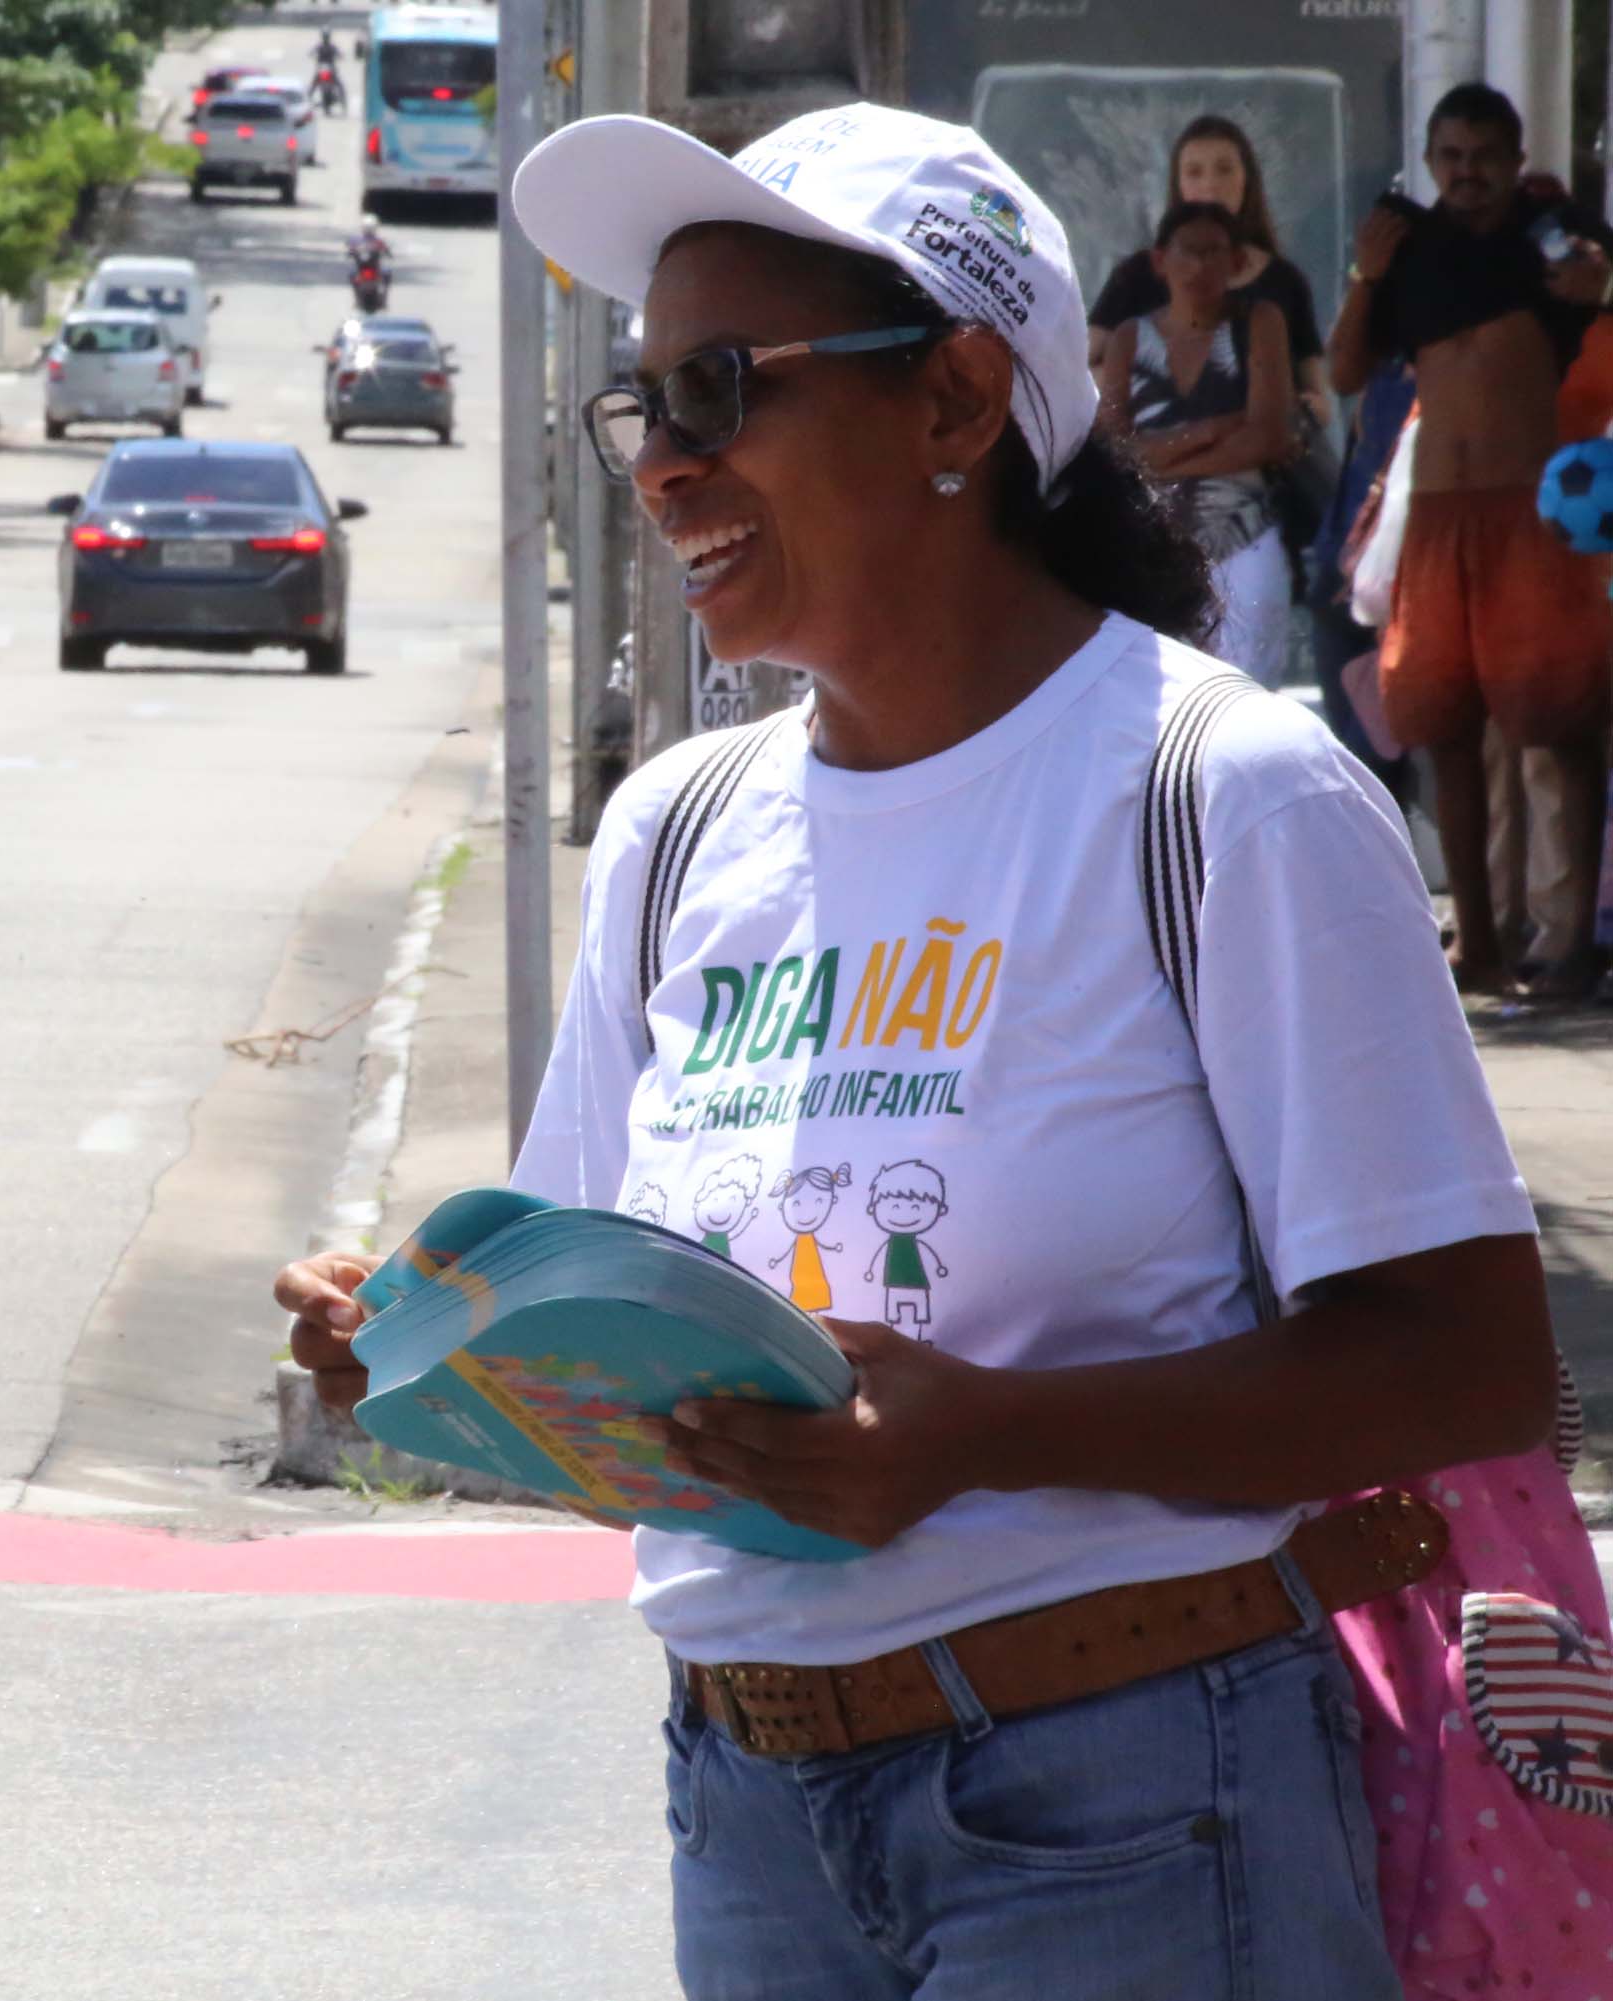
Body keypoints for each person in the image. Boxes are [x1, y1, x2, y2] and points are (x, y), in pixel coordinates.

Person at [287, 103, 1553, 1998]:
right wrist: (437, 1352)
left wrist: (981, 1442)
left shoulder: (1225, 795)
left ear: (958, 399)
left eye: (718, 388)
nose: (663, 465)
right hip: (747, 1806)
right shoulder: (676, 834)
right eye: (644, 407)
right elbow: (612, 1376)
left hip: (1129, 1804)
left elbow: (1466, 1365)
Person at [1328, 83, 1613, 999]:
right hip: (1437, 518)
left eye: (1483, 154)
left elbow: (1596, 286)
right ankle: (1478, 941)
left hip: (1526, 513)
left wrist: (1602, 283)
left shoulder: (1550, 238)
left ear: (1515, 157)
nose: (1465, 172)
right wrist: (1363, 279)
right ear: (1427, 156)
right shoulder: (1403, 247)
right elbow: (1341, 371)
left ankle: (1571, 939)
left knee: (1559, 720)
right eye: (1448, 155)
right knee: (1444, 729)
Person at [1098, 201, 1297, 683]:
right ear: (1161, 260)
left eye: (1216, 252)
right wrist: (1214, 429)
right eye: (1190, 251)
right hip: (1156, 550)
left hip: (1244, 537)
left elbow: (1268, 439)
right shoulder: (1128, 337)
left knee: (1248, 693)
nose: (1202, 265)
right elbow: (1111, 453)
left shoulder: (1260, 322)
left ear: (1235, 263)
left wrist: (1158, 455)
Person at [1085, 116, 1333, 436]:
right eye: (1194, 172)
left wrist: (1284, 415)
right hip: (1153, 459)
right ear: (1178, 183)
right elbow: (1082, 365)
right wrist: (1136, 395)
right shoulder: (1137, 275)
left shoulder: (1282, 281)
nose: (1210, 184)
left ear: (1248, 180)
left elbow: (1318, 397)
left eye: (1224, 169)